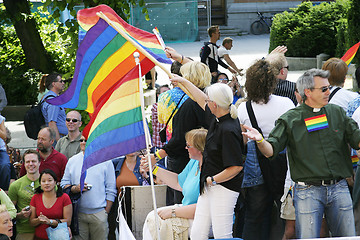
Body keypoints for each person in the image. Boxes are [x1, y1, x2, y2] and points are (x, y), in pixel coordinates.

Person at [243, 68, 359, 238]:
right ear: (308, 92)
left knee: (348, 237)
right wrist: (260, 140)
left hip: (339, 187)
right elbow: (271, 150)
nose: (329, 92)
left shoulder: (337, 112)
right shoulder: (291, 119)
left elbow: (357, 139)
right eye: (324, 89)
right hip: (308, 191)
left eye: (329, 87)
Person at [170, 75, 243, 239]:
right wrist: (184, 82)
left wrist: (213, 180)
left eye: (209, 101)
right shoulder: (217, 118)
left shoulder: (229, 129)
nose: (206, 103)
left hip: (223, 188)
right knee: (197, 233)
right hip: (209, 185)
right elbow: (200, 98)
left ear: (215, 104)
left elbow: (236, 167)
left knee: (222, 234)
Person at [237, 59, 295, 239]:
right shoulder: (286, 103)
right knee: (287, 212)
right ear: (273, 82)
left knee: (255, 215)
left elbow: (244, 140)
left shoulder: (244, 108)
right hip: (282, 161)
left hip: (256, 165)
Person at [156, 61, 211, 205]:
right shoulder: (210, 100)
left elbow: (179, 138)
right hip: (204, 157)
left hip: (184, 158)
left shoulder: (190, 104)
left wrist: (157, 156)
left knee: (181, 200)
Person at [141, 128, 207, 240]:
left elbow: (205, 207)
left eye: (189, 146)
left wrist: (173, 212)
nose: (186, 148)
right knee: (152, 217)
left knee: (157, 223)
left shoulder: (210, 168)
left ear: (199, 148)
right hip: (187, 211)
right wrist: (153, 169)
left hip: (203, 217)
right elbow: (178, 182)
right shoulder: (194, 162)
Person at [60, 135, 116, 240]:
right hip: (78, 213)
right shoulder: (72, 161)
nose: (83, 142)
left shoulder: (106, 161)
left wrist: (105, 212)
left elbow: (111, 189)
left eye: (86, 140)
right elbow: (64, 184)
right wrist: (76, 188)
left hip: (99, 213)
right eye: (81, 140)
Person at [29, 169, 72, 240]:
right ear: (40, 183)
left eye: (50, 180)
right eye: (43, 181)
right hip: (39, 237)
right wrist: (39, 220)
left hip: (59, 237)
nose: (46, 183)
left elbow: (68, 221)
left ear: (55, 182)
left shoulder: (64, 198)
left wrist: (50, 222)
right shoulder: (35, 198)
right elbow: (31, 222)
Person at [8, 150, 41, 240]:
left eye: (33, 161)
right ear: (24, 164)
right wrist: (20, 215)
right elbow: (9, 213)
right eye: (27, 162)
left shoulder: (49, 182)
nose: (30, 164)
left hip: (45, 230)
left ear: (39, 163)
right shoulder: (16, 185)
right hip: (24, 231)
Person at [41, 73, 67, 141]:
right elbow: (52, 123)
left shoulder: (48, 97)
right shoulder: (53, 101)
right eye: (61, 81)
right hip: (58, 138)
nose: (63, 83)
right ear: (54, 84)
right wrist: (59, 144)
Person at [151, 85, 170, 152]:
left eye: (169, 92)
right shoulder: (156, 106)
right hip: (159, 144)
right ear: (158, 95)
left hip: (168, 144)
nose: (167, 93)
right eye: (164, 92)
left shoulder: (171, 106)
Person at [0, 114, 10, 192]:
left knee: (5, 165)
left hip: (1, 150)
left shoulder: (0, 118)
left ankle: (4, 191)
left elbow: (4, 136)